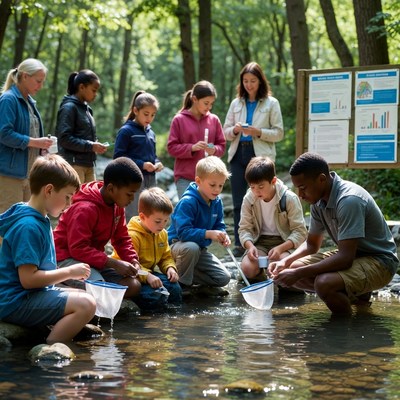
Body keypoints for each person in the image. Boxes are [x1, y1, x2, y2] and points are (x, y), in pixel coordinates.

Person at [270, 152, 399, 314]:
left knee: (324, 283)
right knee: (293, 268)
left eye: (303, 188)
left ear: (322, 179)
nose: (300, 195)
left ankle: (345, 330)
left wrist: (297, 273)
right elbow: (311, 245)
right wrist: (285, 263)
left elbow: (345, 259)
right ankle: (359, 300)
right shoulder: (317, 201)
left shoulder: (349, 200)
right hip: (354, 256)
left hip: (381, 261)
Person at [0, 154, 96, 344]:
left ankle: (46, 334)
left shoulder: (38, 218)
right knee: (87, 305)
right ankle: (49, 350)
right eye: (67, 197)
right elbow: (28, 280)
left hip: (28, 296)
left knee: (86, 296)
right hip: (15, 302)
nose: (69, 205)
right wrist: (68, 272)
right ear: (49, 190)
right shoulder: (28, 226)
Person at [54, 157, 143, 299]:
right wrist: (112, 263)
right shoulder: (85, 209)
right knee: (99, 290)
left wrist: (132, 260)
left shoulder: (117, 206)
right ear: (111, 188)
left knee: (133, 285)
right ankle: (60, 285)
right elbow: (77, 248)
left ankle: (97, 293)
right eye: (129, 194)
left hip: (93, 261)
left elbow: (121, 238)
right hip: (66, 258)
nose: (132, 199)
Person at [223, 62, 284, 257]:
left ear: (260, 81)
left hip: (260, 156)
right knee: (239, 200)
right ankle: (242, 244)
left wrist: (258, 132)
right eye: (245, 81)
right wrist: (235, 130)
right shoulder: (236, 103)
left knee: (263, 198)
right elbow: (225, 132)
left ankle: (265, 240)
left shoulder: (271, 103)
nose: (249, 85)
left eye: (253, 81)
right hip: (238, 152)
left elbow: (279, 133)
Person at [167, 156, 232, 296]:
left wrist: (222, 234)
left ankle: (191, 280)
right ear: (198, 181)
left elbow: (219, 224)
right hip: (177, 247)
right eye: (213, 185)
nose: (217, 190)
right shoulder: (188, 202)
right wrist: (209, 234)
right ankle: (181, 285)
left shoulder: (216, 201)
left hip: (198, 251)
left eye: (221, 185)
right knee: (191, 247)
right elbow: (183, 233)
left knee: (223, 278)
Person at [112, 187, 182, 311]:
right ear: (143, 217)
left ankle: (175, 318)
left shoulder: (162, 233)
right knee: (155, 296)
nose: (162, 225)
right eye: (158, 221)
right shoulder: (132, 235)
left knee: (175, 288)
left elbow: (166, 257)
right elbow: (130, 265)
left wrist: (170, 268)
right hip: (131, 276)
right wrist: (148, 276)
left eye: (166, 220)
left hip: (148, 274)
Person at [239, 156, 307, 281]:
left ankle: (280, 283)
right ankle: (264, 282)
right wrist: (250, 246)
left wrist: (281, 248)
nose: (256, 191)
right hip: (259, 242)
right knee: (248, 268)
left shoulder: (289, 198)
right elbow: (244, 228)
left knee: (284, 268)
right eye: (252, 187)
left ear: (273, 181)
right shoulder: (249, 199)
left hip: (284, 241)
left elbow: (300, 231)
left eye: (261, 187)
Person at [0, 58, 53, 214]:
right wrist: (35, 142)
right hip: (9, 175)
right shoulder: (9, 100)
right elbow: (4, 134)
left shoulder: (29, 102)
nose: (41, 86)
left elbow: (32, 135)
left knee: (24, 221)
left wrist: (42, 148)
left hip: (29, 175)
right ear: (24, 76)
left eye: (42, 81)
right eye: (38, 81)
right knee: (8, 224)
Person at [167, 80, 226, 198]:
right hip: (185, 178)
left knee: (207, 215)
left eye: (211, 103)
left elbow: (222, 146)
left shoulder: (214, 120)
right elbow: (171, 148)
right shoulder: (179, 119)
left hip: (210, 179)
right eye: (206, 103)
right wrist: (191, 148)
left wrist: (213, 150)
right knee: (187, 214)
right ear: (194, 99)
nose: (209, 107)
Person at [114, 90, 163, 222]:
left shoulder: (151, 133)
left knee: (151, 212)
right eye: (146, 114)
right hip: (132, 181)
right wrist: (142, 164)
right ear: (136, 111)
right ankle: (130, 242)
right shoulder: (126, 131)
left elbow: (154, 156)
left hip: (151, 179)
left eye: (153, 115)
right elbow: (119, 158)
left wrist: (157, 163)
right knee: (133, 215)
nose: (149, 118)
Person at [55, 69, 108, 184]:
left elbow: (84, 136)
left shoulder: (87, 109)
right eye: (93, 90)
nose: (96, 94)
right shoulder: (69, 108)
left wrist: (96, 145)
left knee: (89, 201)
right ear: (82, 87)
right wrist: (91, 146)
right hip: (73, 165)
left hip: (89, 164)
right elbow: (64, 139)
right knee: (74, 201)